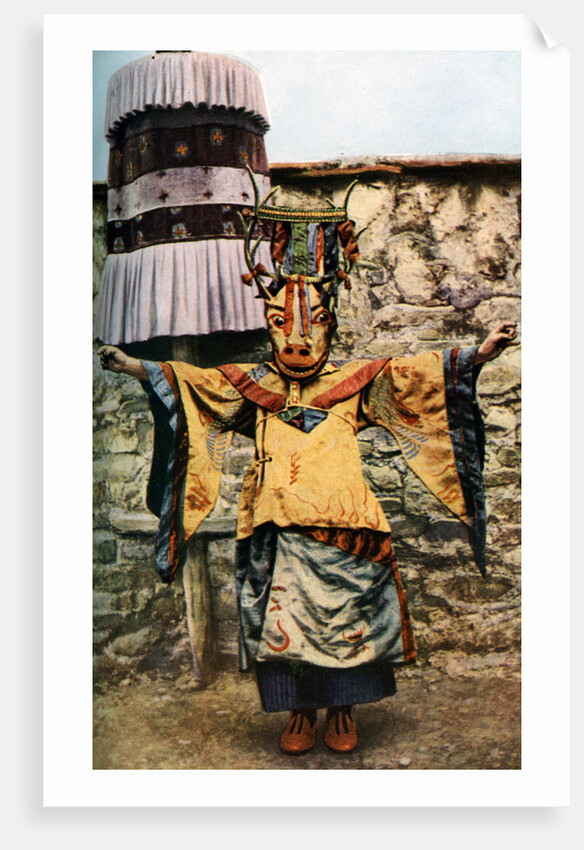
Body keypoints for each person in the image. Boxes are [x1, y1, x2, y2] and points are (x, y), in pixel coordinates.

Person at [98, 185, 517, 755]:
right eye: (281, 323)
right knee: (281, 617)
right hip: (279, 527)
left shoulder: (359, 383)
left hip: (348, 529)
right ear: (269, 327)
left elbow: (421, 374)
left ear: (329, 326)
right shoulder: (253, 386)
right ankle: (297, 714)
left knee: (352, 614)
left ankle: (343, 709)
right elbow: (193, 386)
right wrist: (134, 367)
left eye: (313, 323)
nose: (297, 339)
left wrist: (479, 355)